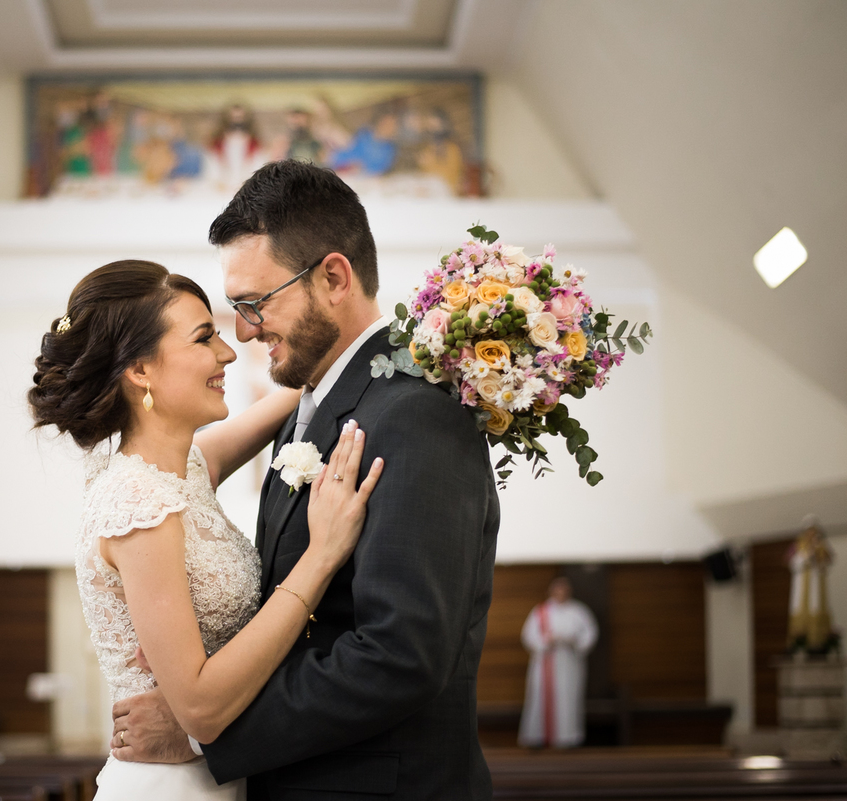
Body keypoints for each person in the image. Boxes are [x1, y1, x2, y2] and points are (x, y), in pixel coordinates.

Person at [110, 160, 501, 800]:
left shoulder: (416, 414)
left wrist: (211, 734)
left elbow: (401, 656)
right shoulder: (320, 405)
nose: (242, 332)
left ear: (334, 277)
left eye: (254, 303)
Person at [28, 259, 384, 800]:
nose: (228, 352)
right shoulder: (138, 504)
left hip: (223, 778)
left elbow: (299, 391)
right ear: (140, 371)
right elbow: (199, 707)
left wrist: (368, 337)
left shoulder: (184, 468)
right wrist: (322, 554)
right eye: (203, 339)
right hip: (170, 787)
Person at [517, 577, 598, 749]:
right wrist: (546, 641)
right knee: (539, 699)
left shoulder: (579, 611)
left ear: (568, 591)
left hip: (569, 665)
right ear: (551, 591)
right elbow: (528, 636)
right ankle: (537, 737)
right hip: (545, 663)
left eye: (564, 590)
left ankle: (568, 738)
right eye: (557, 590)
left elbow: (590, 634)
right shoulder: (540, 612)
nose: (560, 593)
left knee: (568, 700)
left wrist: (573, 641)